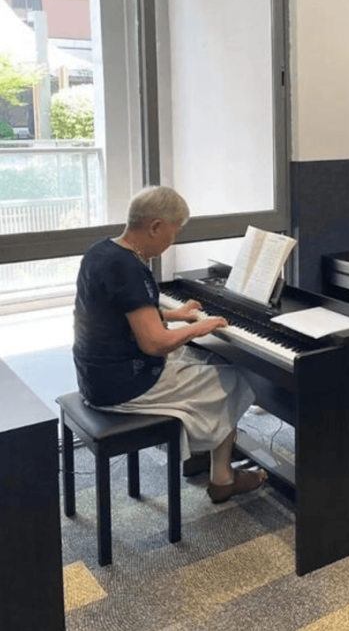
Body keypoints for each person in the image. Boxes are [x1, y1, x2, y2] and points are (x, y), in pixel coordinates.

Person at [73, 185, 266, 504]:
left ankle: (200, 454)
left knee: (206, 361)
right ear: (155, 226)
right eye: (173, 232)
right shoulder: (130, 268)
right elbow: (154, 343)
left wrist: (175, 314)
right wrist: (200, 327)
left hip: (95, 375)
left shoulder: (101, 251)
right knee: (233, 376)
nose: (172, 241)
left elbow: (120, 314)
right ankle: (223, 479)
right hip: (122, 385)